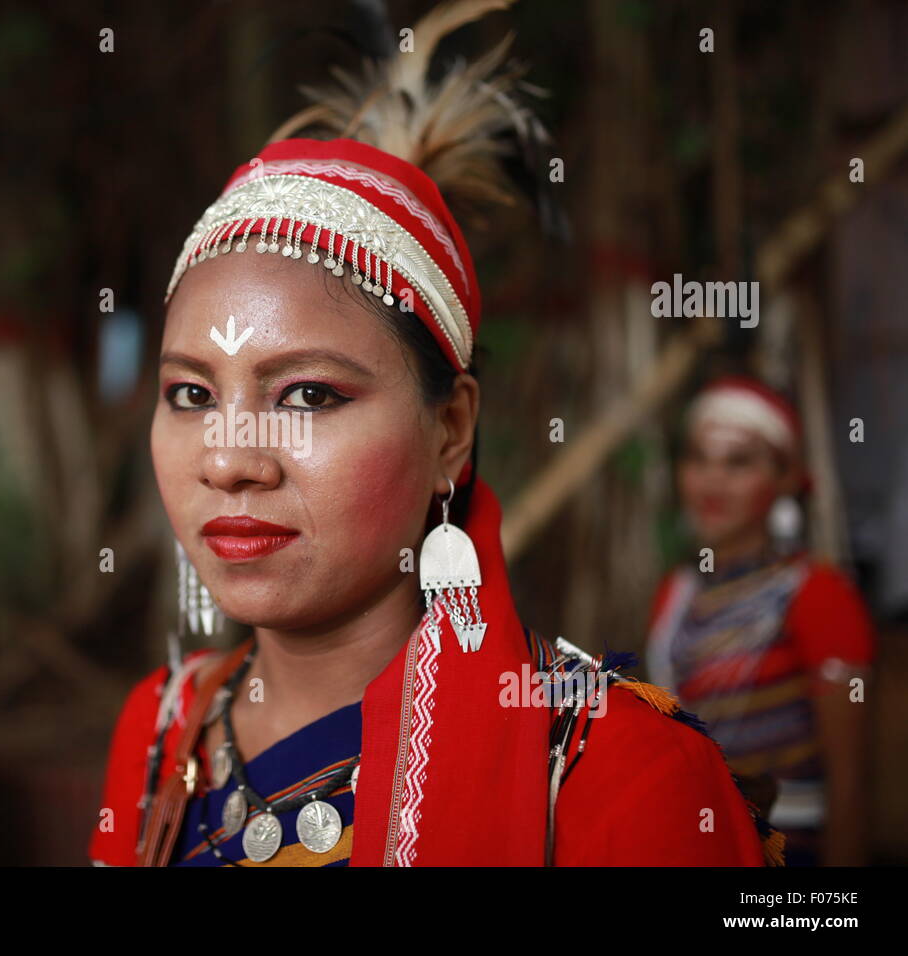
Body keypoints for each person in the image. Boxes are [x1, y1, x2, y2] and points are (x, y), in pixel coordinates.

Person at [89, 0, 776, 867]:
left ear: (451, 428)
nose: (228, 459)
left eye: (305, 394)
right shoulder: (159, 732)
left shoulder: (624, 771)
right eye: (190, 394)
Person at [646, 376, 876, 866]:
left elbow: (851, 783)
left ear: (785, 478)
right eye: (699, 460)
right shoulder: (675, 596)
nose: (713, 481)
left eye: (738, 462)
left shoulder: (819, 597)